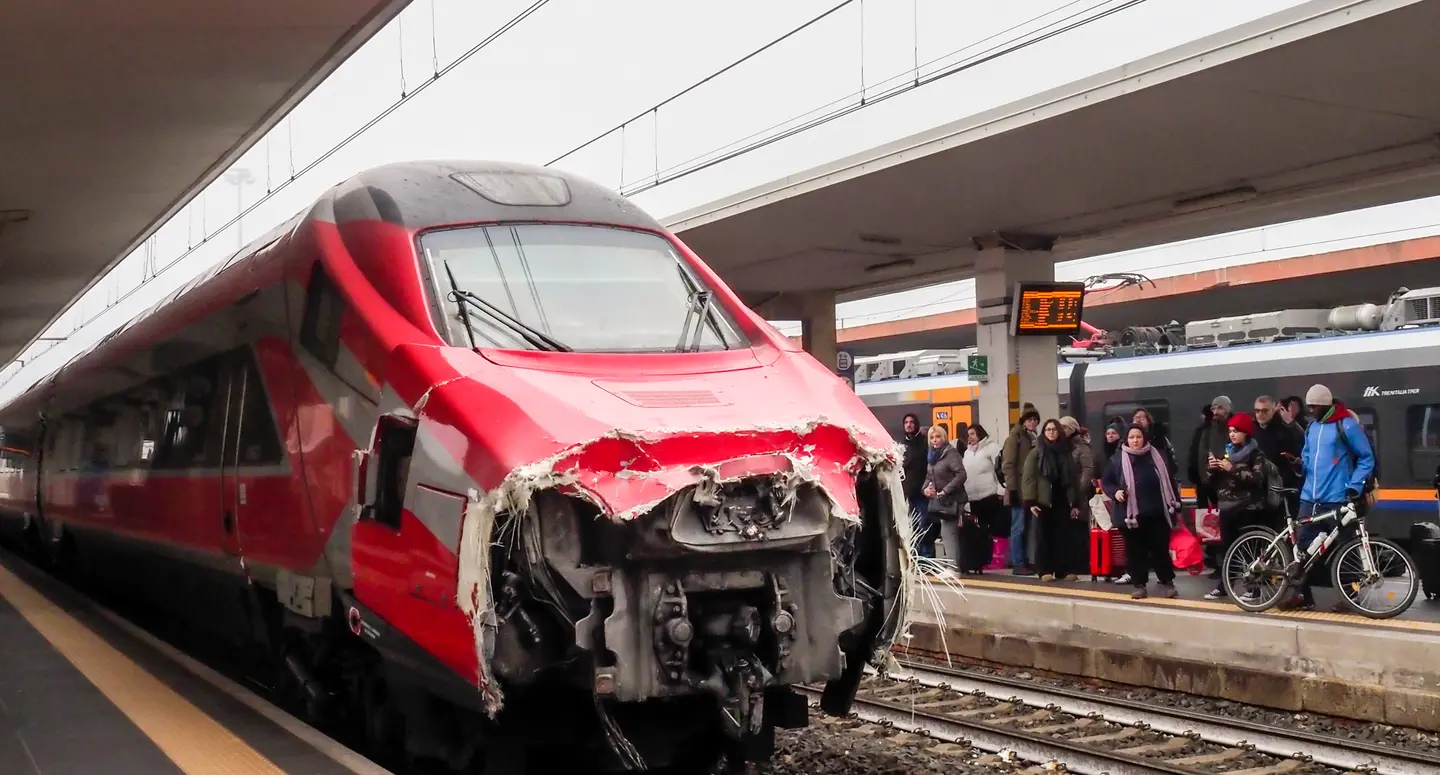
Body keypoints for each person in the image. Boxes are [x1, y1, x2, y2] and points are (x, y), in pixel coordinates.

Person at [1291, 383, 1375, 609]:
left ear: (1325, 405)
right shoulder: (1312, 428)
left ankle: (1351, 595)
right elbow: (1308, 456)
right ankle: (1301, 595)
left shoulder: (1346, 426)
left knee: (1345, 547)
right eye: (1308, 406)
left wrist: (1354, 486)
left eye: (1313, 407)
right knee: (1302, 546)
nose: (1309, 411)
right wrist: (1300, 465)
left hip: (1337, 497)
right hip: (1310, 498)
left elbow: (1366, 457)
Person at [1101, 424, 1183, 599]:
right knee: (1135, 551)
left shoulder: (1156, 456)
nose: (1135, 441)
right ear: (1126, 439)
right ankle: (1139, 585)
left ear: (1144, 438)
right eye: (1131, 437)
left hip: (1157, 512)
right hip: (1131, 516)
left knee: (1160, 549)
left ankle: (1168, 582)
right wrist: (1115, 492)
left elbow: (1170, 481)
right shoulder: (1117, 459)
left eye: (1138, 437)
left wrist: (1177, 503)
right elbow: (1106, 482)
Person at [1201, 412, 1271, 599]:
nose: (1232, 434)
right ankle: (1224, 585)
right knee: (1227, 549)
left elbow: (1256, 478)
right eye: (1230, 431)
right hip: (1226, 507)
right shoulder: (1226, 452)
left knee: (1249, 550)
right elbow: (1211, 482)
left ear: (1246, 433)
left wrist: (1231, 469)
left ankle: (1254, 589)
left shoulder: (1256, 454)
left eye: (1237, 431)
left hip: (1248, 508)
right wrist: (1213, 470)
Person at [1020, 419, 1087, 582]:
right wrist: (1031, 502)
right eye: (1048, 430)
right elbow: (1028, 479)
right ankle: (1044, 570)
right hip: (1043, 501)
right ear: (1044, 432)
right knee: (1043, 536)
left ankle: (1063, 570)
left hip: (1062, 499)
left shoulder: (1066, 452)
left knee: (1063, 536)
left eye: (1054, 430)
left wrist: (1075, 503)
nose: (1051, 432)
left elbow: (1073, 479)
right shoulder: (1036, 452)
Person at [1252, 395, 1304, 522]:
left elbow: (1302, 445)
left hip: (1282, 489)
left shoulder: (1284, 429)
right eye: (1257, 410)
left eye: (1264, 410)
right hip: (1258, 490)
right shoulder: (1251, 430)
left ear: (1273, 410)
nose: (1260, 414)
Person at [921, 425, 967, 568]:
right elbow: (929, 476)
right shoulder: (932, 456)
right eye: (932, 437)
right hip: (941, 500)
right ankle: (951, 565)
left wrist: (946, 490)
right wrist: (925, 489)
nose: (935, 440)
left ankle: (953, 567)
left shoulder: (950, 453)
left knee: (948, 532)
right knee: (946, 532)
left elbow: (961, 474)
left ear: (944, 437)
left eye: (938, 436)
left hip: (953, 499)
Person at [1002, 409, 1041, 575]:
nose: (1032, 422)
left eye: (1035, 420)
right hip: (1017, 489)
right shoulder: (1014, 438)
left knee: (1026, 526)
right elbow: (1008, 465)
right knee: (1018, 526)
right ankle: (1017, 562)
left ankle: (1024, 560)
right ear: (1023, 421)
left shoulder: (1032, 437)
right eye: (1029, 420)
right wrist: (1012, 488)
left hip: (1028, 489)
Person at [962, 424, 1004, 574]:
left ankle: (991, 558)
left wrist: (1001, 490)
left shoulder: (991, 448)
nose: (970, 437)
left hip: (989, 494)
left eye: (973, 433)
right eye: (969, 434)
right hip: (973, 497)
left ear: (980, 434)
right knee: (977, 530)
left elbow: (1000, 470)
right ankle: (978, 560)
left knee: (989, 528)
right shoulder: (967, 453)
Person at [900, 413, 936, 558]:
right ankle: (915, 556)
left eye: (911, 422)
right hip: (907, 492)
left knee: (924, 523)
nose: (908, 425)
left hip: (923, 491)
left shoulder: (924, 443)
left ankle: (927, 555)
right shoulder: (902, 445)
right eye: (906, 422)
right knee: (911, 526)